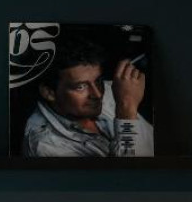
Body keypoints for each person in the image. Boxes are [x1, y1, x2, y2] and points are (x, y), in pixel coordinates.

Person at [22, 37, 153, 157]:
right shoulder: (45, 147)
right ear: (49, 92)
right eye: (80, 87)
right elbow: (131, 173)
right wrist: (126, 111)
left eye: (98, 80)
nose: (98, 94)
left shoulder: (115, 90)